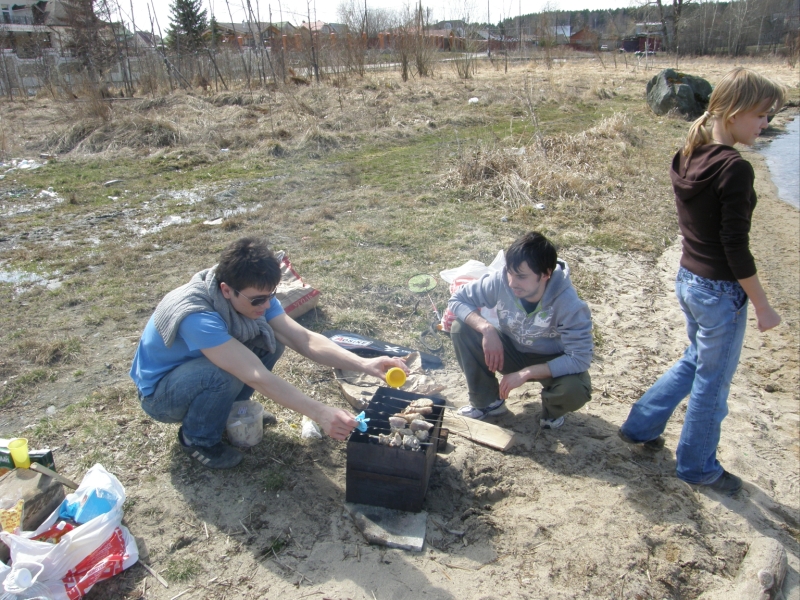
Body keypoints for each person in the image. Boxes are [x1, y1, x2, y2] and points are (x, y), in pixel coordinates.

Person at [618, 68, 786, 496]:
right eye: (761, 114)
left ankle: (640, 427)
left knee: (695, 360)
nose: (766, 123)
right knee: (712, 383)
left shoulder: (688, 153)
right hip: (719, 291)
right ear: (733, 112)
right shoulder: (734, 169)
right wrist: (763, 306)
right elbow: (735, 248)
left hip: (688, 280)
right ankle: (697, 467)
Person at [130, 237, 408, 469]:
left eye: (271, 295)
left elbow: (303, 339)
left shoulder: (252, 291)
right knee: (222, 374)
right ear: (226, 290)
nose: (266, 305)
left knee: (271, 340)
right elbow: (255, 375)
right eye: (258, 300)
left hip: (199, 367)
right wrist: (320, 412)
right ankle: (196, 439)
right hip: (161, 396)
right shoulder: (197, 315)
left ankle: (228, 412)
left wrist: (365, 364)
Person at [448, 231, 593, 428]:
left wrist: (526, 373)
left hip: (550, 359)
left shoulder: (570, 305)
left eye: (521, 277)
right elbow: (458, 300)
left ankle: (552, 410)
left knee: (575, 390)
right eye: (510, 272)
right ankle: (488, 402)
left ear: (546, 274)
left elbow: (580, 358)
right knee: (462, 327)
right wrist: (487, 329)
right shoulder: (500, 280)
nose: (511, 282)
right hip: (510, 350)